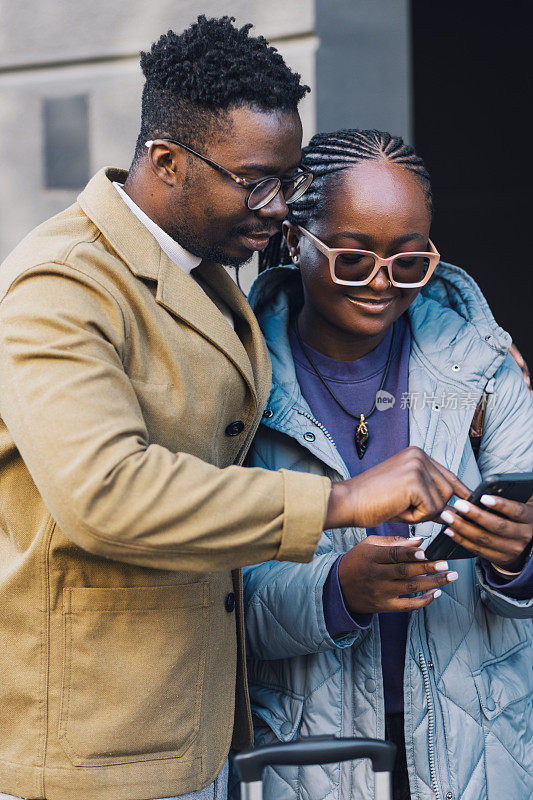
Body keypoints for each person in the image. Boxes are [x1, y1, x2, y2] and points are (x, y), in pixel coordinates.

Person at [0, 21, 470, 800]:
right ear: (166, 161)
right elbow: (106, 493)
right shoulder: (60, 287)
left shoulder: (208, 273)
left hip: (197, 729)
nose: (278, 208)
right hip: (93, 749)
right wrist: (343, 500)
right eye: (256, 181)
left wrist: (473, 342)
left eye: (286, 182)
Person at [240, 129, 533, 800]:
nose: (379, 282)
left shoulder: (483, 368)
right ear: (294, 240)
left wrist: (516, 560)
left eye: (407, 262)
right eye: (352, 257)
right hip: (308, 759)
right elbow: (209, 602)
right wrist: (336, 590)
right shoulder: (237, 383)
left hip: (480, 758)